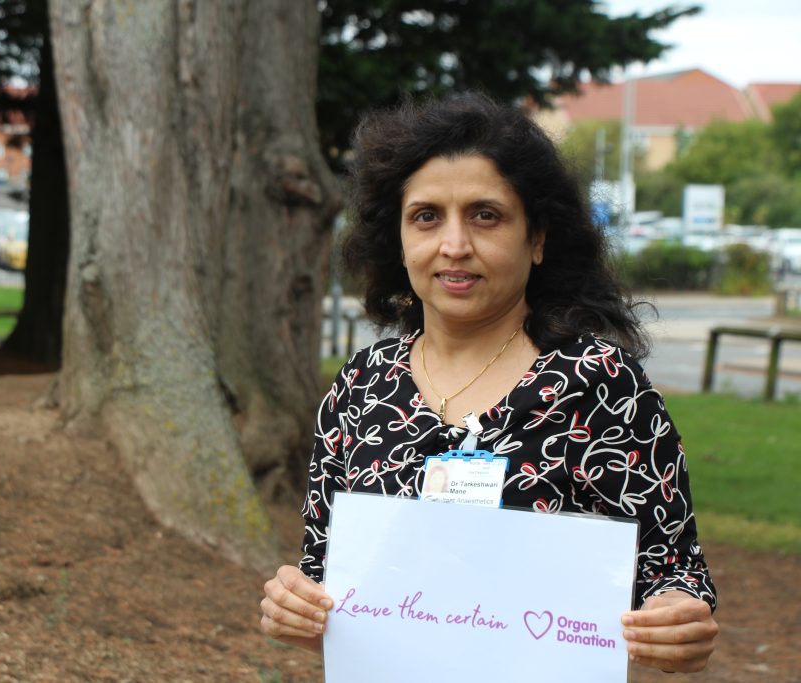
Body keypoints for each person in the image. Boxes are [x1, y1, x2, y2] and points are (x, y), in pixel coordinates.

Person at [259, 93, 718, 673]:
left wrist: (678, 618)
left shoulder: (599, 386)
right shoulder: (358, 389)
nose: (454, 245)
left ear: (538, 237)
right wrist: (295, 610)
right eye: (426, 216)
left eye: (486, 215)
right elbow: (329, 588)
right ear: (398, 240)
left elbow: (675, 574)